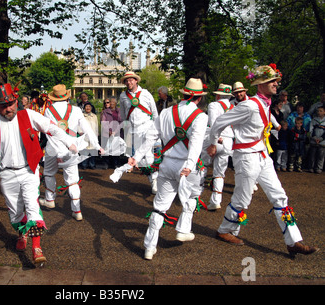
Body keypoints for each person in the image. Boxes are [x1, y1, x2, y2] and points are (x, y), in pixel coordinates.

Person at [207, 64, 318, 256]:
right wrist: (213, 143)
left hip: (262, 156)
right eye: (271, 81)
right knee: (242, 198)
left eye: (276, 80)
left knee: (280, 196)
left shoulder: (266, 105)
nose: (276, 84)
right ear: (260, 84)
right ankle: (225, 230)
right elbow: (219, 122)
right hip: (246, 157)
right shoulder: (249, 105)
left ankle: (293, 241)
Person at [0, 83, 77, 264]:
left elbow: (51, 128)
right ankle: (23, 234)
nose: (9, 109)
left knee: (32, 206)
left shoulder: (28, 115)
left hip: (29, 170)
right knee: (15, 213)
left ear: (16, 101)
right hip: (6, 174)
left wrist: (68, 141)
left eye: (11, 104)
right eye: (4, 106)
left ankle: (36, 248)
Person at [128, 78, 208, 260]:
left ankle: (149, 246)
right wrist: (188, 166)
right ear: (199, 98)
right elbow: (195, 144)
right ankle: (183, 228)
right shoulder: (201, 117)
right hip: (187, 166)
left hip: (167, 164)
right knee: (193, 196)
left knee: (160, 206)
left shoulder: (165, 112)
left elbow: (150, 138)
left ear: (184, 94)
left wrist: (136, 157)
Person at [40, 84, 103, 221]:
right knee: (73, 180)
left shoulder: (48, 110)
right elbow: (87, 129)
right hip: (72, 147)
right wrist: (98, 146)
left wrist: (58, 152)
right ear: (67, 97)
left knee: (49, 173)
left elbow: (49, 132)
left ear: (54, 98)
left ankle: (50, 199)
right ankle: (77, 211)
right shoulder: (76, 110)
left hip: (53, 149)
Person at [119, 71, 159, 194]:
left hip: (147, 127)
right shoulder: (123, 96)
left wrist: (156, 129)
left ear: (136, 81)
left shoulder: (146, 94)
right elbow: (123, 114)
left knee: (150, 156)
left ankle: (155, 182)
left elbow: (155, 112)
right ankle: (153, 180)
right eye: (126, 80)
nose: (128, 82)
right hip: (133, 129)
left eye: (131, 80)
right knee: (141, 159)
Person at [206, 83, 234, 211]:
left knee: (202, 166)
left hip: (215, 139)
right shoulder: (234, 107)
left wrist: (216, 138)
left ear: (218, 94)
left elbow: (213, 122)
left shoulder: (213, 105)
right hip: (228, 141)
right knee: (219, 172)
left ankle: (193, 196)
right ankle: (216, 200)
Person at [100, 97, 123, 168]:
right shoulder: (105, 111)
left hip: (117, 132)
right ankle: (106, 163)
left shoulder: (119, 111)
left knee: (116, 148)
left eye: (113, 102)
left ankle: (115, 163)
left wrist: (115, 131)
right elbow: (103, 122)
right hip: (107, 133)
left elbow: (122, 122)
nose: (112, 103)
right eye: (110, 102)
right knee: (106, 148)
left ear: (116, 103)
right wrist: (109, 132)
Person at [80, 102, 98, 169]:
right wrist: (80, 132)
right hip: (84, 136)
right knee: (84, 151)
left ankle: (92, 164)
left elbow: (96, 126)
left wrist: (96, 135)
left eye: (89, 106)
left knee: (92, 151)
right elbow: (78, 125)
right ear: (84, 108)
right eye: (86, 106)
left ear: (91, 108)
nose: (88, 108)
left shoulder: (94, 116)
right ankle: (84, 164)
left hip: (92, 136)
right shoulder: (81, 116)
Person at [307, 105, 325, 173]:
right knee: (312, 155)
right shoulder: (314, 120)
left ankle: (319, 168)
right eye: (318, 111)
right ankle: (311, 167)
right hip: (314, 140)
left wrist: (320, 139)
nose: (319, 112)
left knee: (321, 155)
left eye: (321, 111)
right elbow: (311, 129)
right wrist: (314, 138)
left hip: (322, 141)